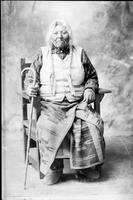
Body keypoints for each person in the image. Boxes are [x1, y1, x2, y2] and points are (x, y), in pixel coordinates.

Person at [24, 20, 105, 185]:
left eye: (63, 32)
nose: (60, 36)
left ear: (69, 35)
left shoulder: (80, 52)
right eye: (56, 33)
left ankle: (85, 167)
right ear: (50, 36)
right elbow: (30, 78)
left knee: (90, 124)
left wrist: (90, 89)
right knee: (50, 127)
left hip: (78, 104)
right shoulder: (42, 53)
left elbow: (92, 76)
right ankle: (55, 167)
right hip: (51, 106)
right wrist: (30, 89)